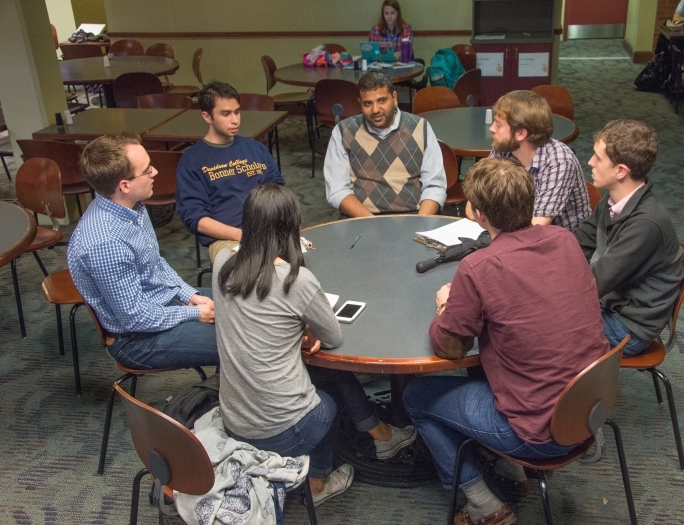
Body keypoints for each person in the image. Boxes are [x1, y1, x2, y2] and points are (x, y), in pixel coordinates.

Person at [403, 157, 609, 525]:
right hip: (589, 408)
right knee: (491, 363)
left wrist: (444, 309)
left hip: (537, 431)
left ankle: (483, 503)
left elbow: (450, 347)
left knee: (415, 397)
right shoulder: (565, 240)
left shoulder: (479, 266)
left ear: (479, 215)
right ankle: (510, 469)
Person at [212, 184, 417, 505]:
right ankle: (319, 481)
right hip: (278, 428)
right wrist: (307, 329)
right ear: (291, 226)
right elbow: (333, 337)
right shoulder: (296, 280)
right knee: (328, 402)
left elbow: (239, 276)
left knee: (328, 373)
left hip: (234, 415)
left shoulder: (223, 263)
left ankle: (381, 435)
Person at [68, 133, 218, 370]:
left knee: (248, 302)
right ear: (124, 185)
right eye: (147, 170)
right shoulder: (105, 243)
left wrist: (189, 295)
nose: (155, 172)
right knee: (246, 342)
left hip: (161, 303)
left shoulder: (131, 205)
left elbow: (155, 263)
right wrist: (193, 313)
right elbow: (136, 318)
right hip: (138, 339)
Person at [572, 120, 683, 357]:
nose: (590, 162)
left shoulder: (646, 224)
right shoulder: (612, 202)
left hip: (628, 327)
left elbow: (596, 282)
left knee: (534, 323)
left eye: (598, 158)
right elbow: (577, 243)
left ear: (621, 171)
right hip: (609, 305)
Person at [176, 81, 285, 262]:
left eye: (237, 112)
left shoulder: (256, 148)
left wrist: (278, 226)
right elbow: (196, 218)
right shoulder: (191, 161)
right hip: (226, 238)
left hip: (268, 228)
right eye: (225, 114)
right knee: (263, 271)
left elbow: (277, 189)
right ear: (207, 116)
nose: (235, 120)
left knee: (307, 262)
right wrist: (242, 235)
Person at [324, 70, 446, 218]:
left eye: (382, 100)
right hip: (361, 218)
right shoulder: (343, 131)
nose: (375, 110)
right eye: (367, 103)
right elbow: (337, 189)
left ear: (394, 98)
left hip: (412, 216)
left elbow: (434, 185)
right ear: (359, 103)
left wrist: (420, 223)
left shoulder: (420, 127)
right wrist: (372, 223)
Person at [471, 89, 589, 231]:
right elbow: (473, 208)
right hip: (515, 232)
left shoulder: (559, 161)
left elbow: (537, 226)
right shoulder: (503, 149)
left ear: (521, 133)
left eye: (498, 124)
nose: (492, 128)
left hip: (561, 242)